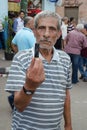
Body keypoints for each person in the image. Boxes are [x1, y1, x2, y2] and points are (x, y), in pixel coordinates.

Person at [5, 10, 72, 130]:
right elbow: (19, 105)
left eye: (52, 29)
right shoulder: (21, 58)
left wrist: (68, 124)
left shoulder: (65, 59)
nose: (46, 34)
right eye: (41, 28)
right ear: (34, 32)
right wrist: (30, 86)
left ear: (59, 33)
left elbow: (66, 95)